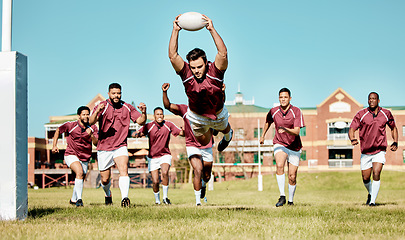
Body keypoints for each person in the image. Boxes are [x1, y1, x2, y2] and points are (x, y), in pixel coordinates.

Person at [168, 14, 233, 151]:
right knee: (203, 143)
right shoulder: (186, 74)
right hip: (197, 115)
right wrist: (175, 30)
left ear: (206, 63)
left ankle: (228, 136)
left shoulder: (215, 72)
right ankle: (212, 129)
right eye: (193, 67)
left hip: (217, 113)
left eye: (199, 67)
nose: (196, 71)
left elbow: (223, 53)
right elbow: (173, 56)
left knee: (224, 128)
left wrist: (211, 29)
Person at [89, 83, 147, 207]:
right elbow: (90, 121)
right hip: (104, 147)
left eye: (119, 93)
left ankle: (125, 198)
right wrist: (97, 111)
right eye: (114, 93)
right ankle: (108, 193)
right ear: (108, 93)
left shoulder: (127, 107)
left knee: (123, 171)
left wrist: (144, 113)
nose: (116, 95)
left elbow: (141, 122)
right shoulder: (102, 106)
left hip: (121, 145)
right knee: (105, 179)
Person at [162, 83, 214, 206]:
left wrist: (222, 92)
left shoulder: (208, 109)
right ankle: (197, 202)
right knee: (197, 169)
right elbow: (168, 106)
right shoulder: (184, 110)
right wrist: (164, 92)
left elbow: (220, 104)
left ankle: (203, 184)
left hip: (207, 146)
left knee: (206, 175)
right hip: (192, 145)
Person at [348, 92, 398, 206]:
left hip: (380, 150)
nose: (371, 101)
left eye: (374, 99)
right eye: (369, 99)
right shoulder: (361, 114)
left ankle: (372, 202)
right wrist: (352, 139)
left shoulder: (386, 113)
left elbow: (393, 128)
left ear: (378, 101)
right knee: (365, 178)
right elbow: (352, 128)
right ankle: (371, 193)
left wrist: (395, 141)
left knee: (376, 173)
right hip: (366, 152)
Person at [260, 88, 305, 207]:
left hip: (294, 146)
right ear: (278, 98)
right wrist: (263, 136)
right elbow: (268, 121)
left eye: (285, 97)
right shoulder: (274, 111)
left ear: (290, 98)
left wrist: (285, 129)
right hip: (279, 143)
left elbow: (296, 131)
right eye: (281, 97)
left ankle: (290, 201)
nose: (283, 99)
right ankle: (282, 196)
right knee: (279, 165)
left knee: (292, 176)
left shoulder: (296, 111)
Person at [134, 107, 184, 205]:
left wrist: (186, 131)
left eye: (161, 114)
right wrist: (137, 134)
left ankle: (165, 198)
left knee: (165, 173)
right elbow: (139, 132)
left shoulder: (169, 125)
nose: (160, 116)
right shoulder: (149, 126)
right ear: (154, 116)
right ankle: (157, 200)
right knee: (155, 181)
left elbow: (181, 133)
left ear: (163, 115)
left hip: (165, 155)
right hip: (153, 157)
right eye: (157, 114)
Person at [52, 106, 98, 207]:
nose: (86, 116)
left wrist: (91, 135)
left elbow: (96, 143)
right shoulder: (71, 125)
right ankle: (79, 200)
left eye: (87, 114)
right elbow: (57, 131)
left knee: (80, 177)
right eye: (84, 114)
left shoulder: (93, 127)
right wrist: (54, 145)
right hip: (71, 154)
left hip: (85, 157)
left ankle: (73, 199)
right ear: (79, 116)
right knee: (79, 172)